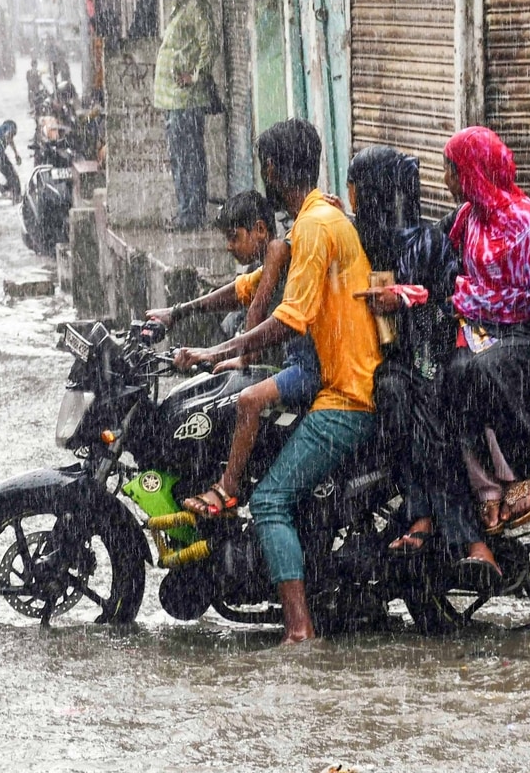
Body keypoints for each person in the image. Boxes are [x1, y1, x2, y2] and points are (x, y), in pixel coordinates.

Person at [172, 119, 380, 644]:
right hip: (342, 379)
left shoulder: (312, 228)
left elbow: (290, 319)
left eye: (263, 162)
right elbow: (250, 291)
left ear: (272, 169)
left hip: (343, 394)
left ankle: (299, 630)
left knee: (268, 502)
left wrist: (221, 350)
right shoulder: (317, 220)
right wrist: (181, 316)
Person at [440, 126, 530, 592]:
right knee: (451, 374)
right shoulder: (468, 218)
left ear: (473, 172)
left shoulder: (525, 219)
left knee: (483, 370)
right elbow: (431, 247)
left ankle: (519, 470)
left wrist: (465, 298)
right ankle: (486, 486)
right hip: (492, 333)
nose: (446, 178)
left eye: (452, 169)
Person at [148, 191, 321, 514]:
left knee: (243, 402)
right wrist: (177, 312)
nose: (229, 246)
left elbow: (258, 312)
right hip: (282, 364)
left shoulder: (279, 249)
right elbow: (240, 290)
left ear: (259, 229)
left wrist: (218, 353)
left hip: (300, 366)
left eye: (234, 237)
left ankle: (228, 488)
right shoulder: (272, 255)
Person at [345, 146, 465, 556]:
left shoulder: (427, 242)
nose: (350, 195)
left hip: (425, 361)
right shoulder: (356, 236)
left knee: (401, 399)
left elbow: (454, 301)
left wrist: (406, 303)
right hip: (374, 360)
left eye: (354, 185)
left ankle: (422, 513)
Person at [151, 0, 218, 231]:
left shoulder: (194, 7)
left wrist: (196, 75)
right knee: (182, 157)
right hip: (175, 101)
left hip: (186, 100)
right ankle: (187, 210)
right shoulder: (182, 7)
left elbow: (209, 43)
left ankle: (191, 213)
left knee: (188, 158)